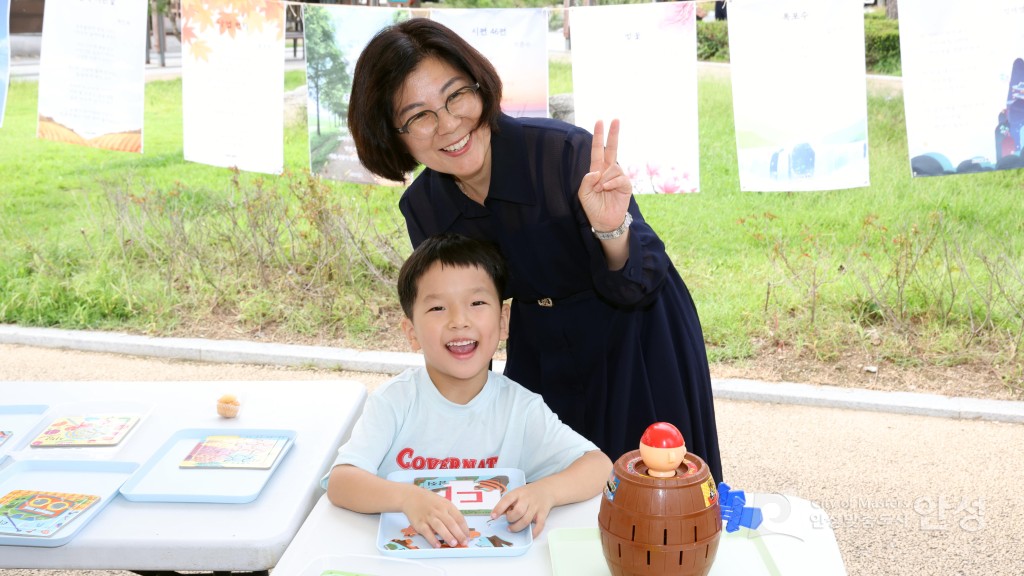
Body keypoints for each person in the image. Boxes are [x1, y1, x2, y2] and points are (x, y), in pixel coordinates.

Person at [346, 18, 722, 483]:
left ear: (481, 86)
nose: (448, 125)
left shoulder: (563, 154)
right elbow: (465, 322)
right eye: (419, 115)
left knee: (653, 498)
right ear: (393, 135)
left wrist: (610, 230)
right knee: (541, 499)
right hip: (539, 347)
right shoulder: (426, 207)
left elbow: (640, 280)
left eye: (456, 95)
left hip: (633, 338)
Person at [322, 233, 612, 549]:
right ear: (411, 332)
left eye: (476, 303)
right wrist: (407, 498)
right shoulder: (395, 401)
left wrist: (546, 492)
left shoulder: (520, 408)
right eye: (437, 308)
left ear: (503, 322)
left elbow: (599, 466)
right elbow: (341, 482)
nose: (459, 321)